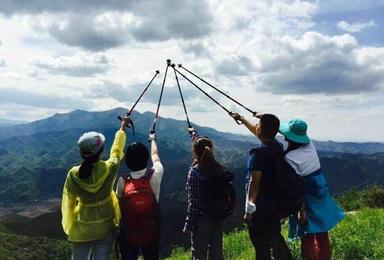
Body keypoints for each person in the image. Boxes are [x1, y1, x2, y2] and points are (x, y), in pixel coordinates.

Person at [61, 115, 130, 260]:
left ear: (81, 153)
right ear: (101, 151)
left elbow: (69, 203)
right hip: (105, 225)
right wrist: (122, 128)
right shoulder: (109, 168)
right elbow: (116, 152)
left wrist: (69, 224)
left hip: (81, 228)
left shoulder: (73, 174)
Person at [279, 119, 344, 260]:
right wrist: (261, 116)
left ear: (290, 137)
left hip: (306, 197)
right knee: (322, 232)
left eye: (286, 135)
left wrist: (300, 210)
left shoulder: (290, 158)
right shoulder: (310, 145)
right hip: (321, 190)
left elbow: (296, 187)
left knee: (306, 233)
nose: (283, 137)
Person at [233, 112, 292, 260]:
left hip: (259, 206)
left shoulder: (258, 153)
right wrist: (243, 119)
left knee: (261, 246)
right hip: (274, 203)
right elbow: (263, 131)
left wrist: (249, 208)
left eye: (258, 126)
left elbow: (255, 182)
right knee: (275, 238)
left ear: (261, 130)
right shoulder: (279, 146)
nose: (256, 127)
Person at [183, 128, 229, 260]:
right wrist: (194, 134)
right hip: (218, 215)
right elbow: (202, 145)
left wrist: (188, 225)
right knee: (217, 253)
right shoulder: (219, 168)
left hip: (202, 219)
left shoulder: (195, 172)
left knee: (199, 255)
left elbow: (194, 203)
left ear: (195, 152)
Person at [116, 132, 163, 260]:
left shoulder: (123, 181)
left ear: (128, 161)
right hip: (151, 229)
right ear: (146, 158)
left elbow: (119, 207)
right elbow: (155, 155)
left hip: (128, 231)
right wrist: (153, 140)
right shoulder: (156, 174)